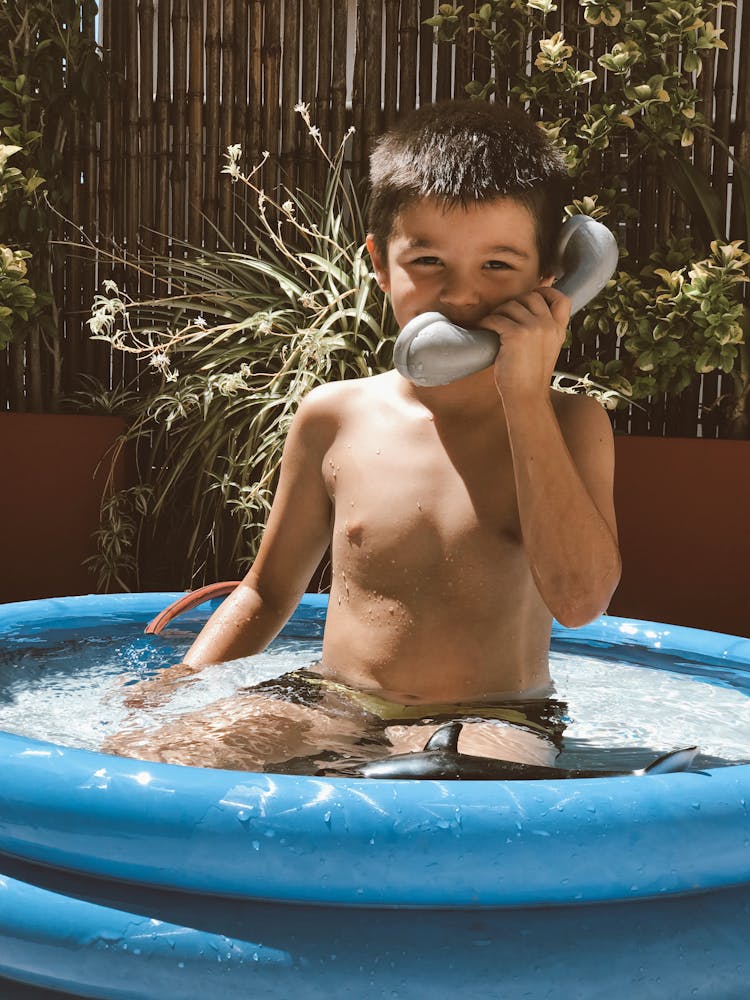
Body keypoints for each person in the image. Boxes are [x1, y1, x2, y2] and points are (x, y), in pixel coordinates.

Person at [108, 100, 621, 772]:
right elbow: (267, 589)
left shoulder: (571, 422)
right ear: (381, 263)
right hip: (333, 697)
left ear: (551, 277)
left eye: (498, 265)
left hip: (495, 713)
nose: (461, 296)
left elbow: (580, 601)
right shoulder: (335, 416)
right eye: (429, 260)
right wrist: (177, 685)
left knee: (457, 797)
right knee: (139, 761)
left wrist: (523, 395)